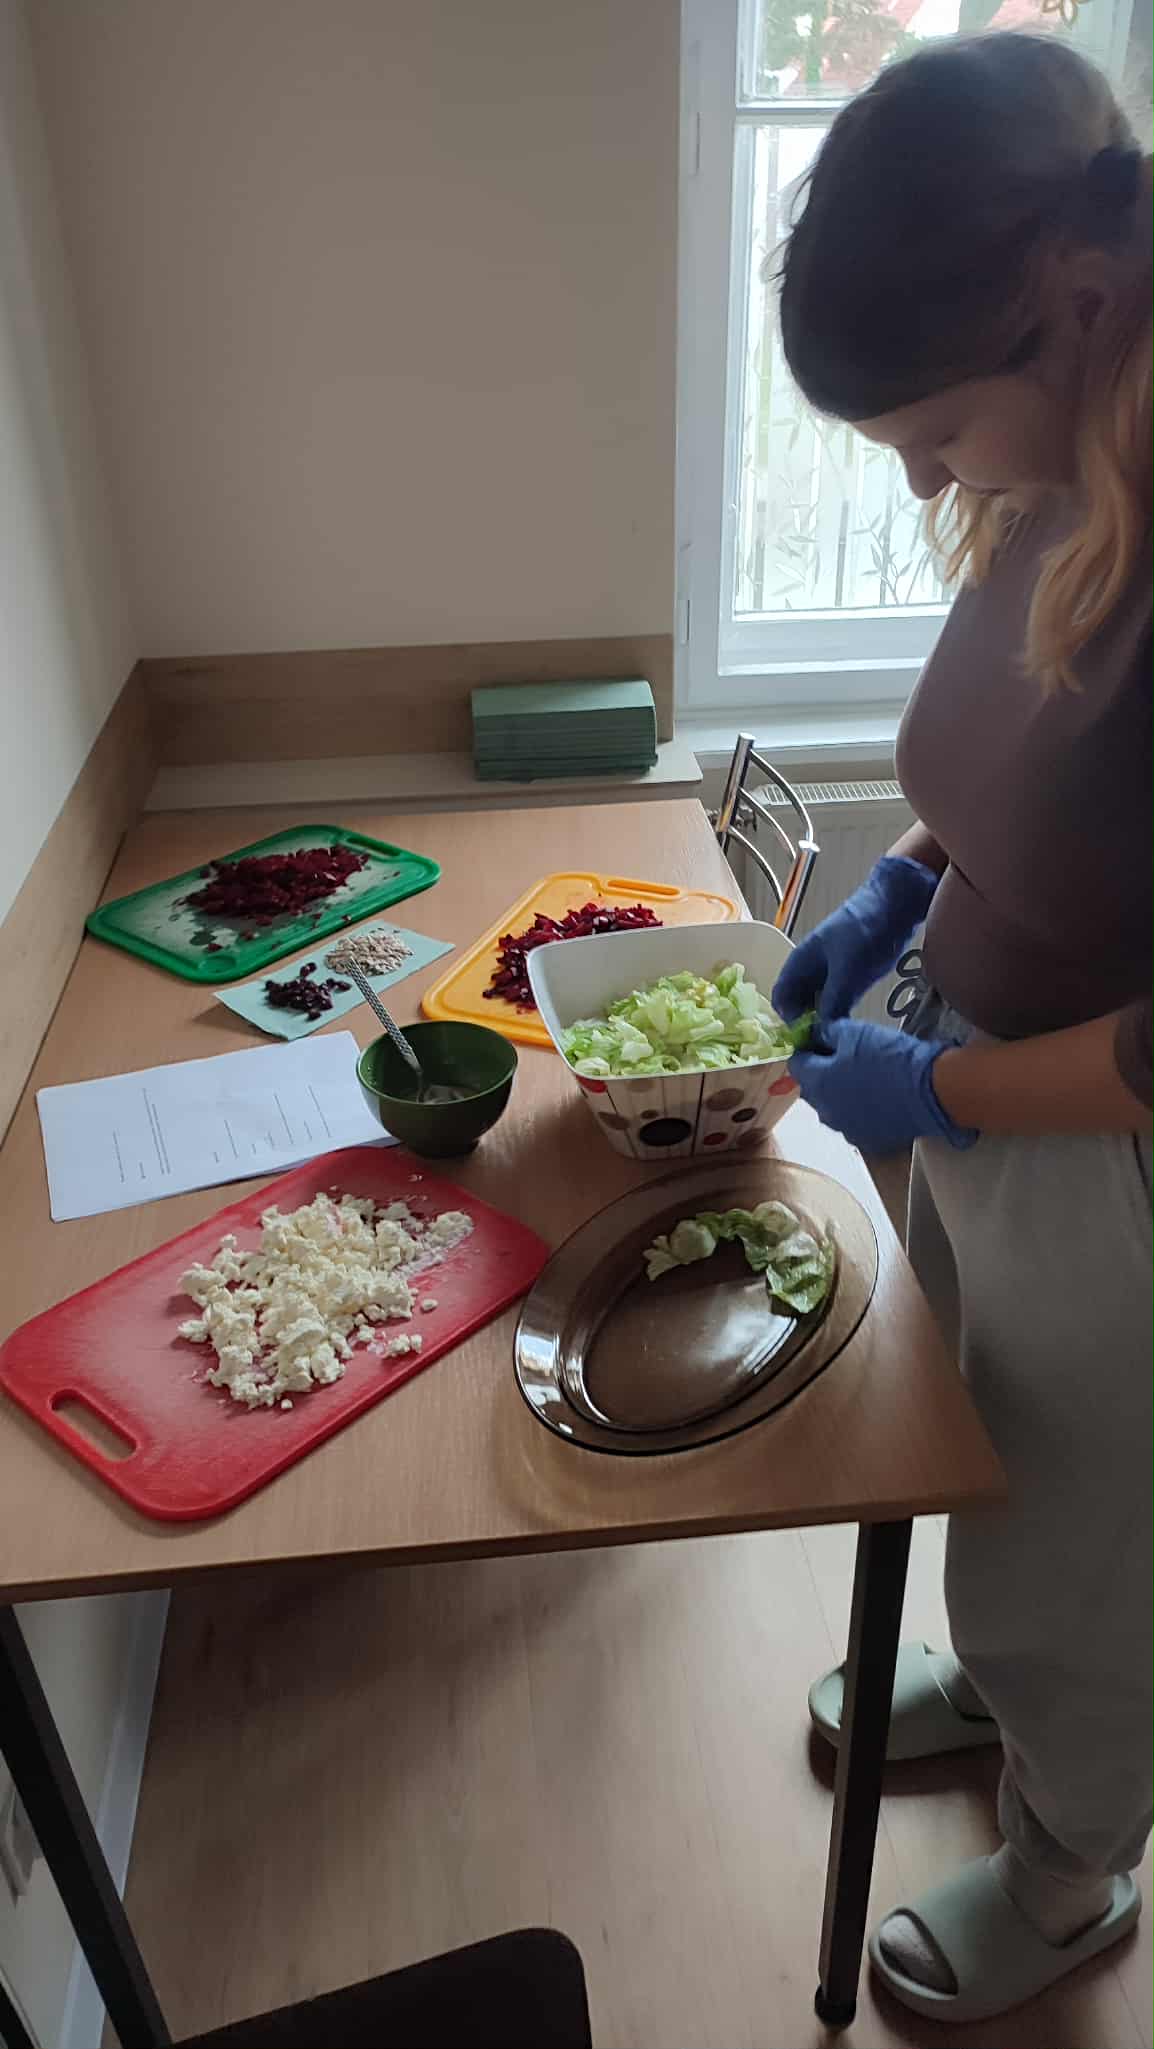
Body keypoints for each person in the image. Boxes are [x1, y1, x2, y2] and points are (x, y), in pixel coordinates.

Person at [769, 31, 1153, 2027]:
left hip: (1102, 1155)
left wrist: (943, 1085)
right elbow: (1019, 759)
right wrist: (899, 890)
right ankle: (1001, 1686)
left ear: (1073, 307)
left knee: (1091, 1532)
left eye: (930, 430)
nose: (922, 478)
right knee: (976, 1431)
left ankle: (1076, 1850)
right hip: (985, 1079)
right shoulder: (1055, 468)